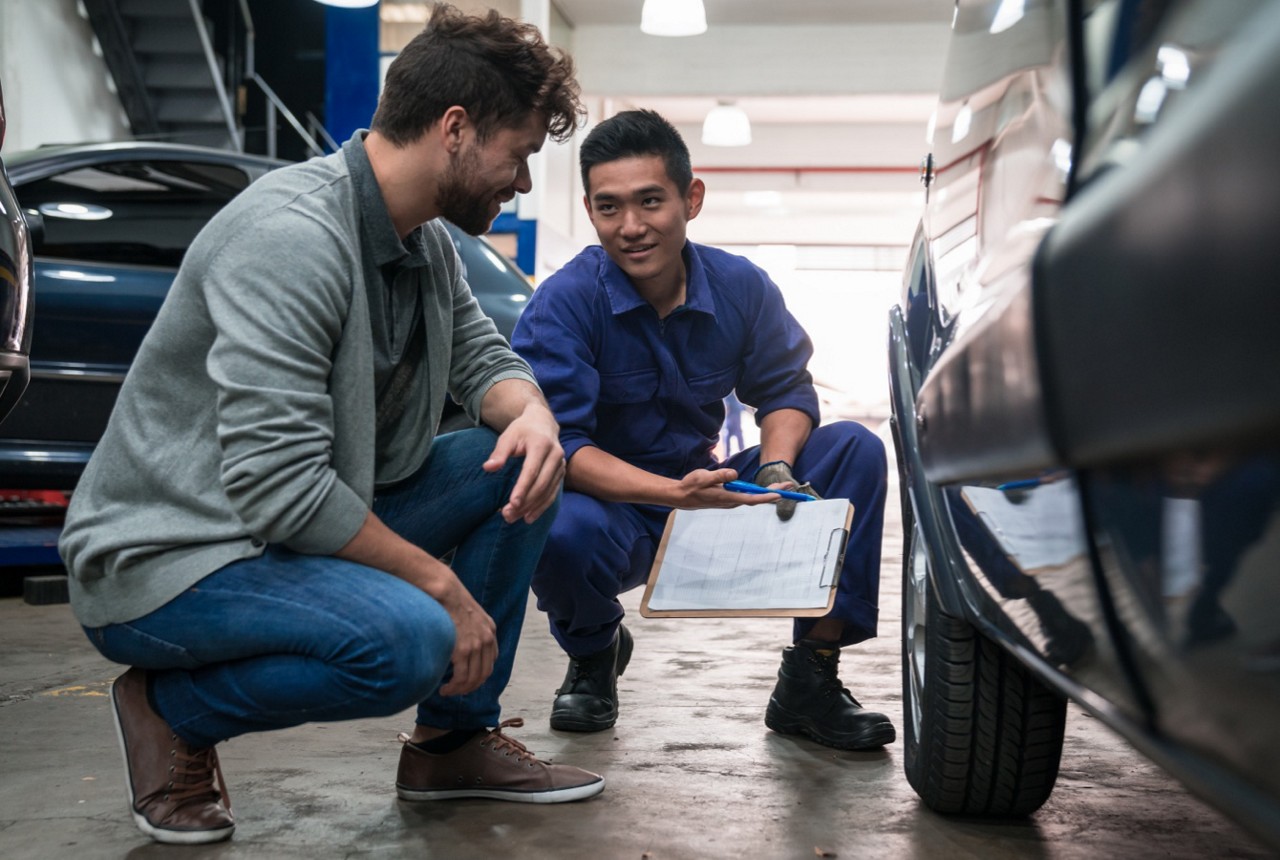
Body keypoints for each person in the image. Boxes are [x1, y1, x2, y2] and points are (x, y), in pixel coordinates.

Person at [58, 4, 601, 846]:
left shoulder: (424, 243)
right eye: (520, 155)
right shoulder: (292, 236)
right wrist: (444, 587)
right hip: (171, 557)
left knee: (521, 467)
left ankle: (451, 743)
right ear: (455, 129)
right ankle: (168, 707)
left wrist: (532, 415)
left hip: (281, 530)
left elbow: (483, 360)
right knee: (411, 639)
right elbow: (280, 488)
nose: (523, 182)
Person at [510, 110, 895, 751]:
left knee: (853, 449)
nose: (630, 227)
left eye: (650, 202)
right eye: (609, 208)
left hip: (707, 489)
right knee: (555, 522)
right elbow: (562, 446)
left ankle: (811, 681)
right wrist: (672, 496)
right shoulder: (565, 302)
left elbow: (783, 390)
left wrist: (773, 466)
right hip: (615, 506)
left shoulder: (739, 285)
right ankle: (594, 651)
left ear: (691, 199)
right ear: (589, 210)